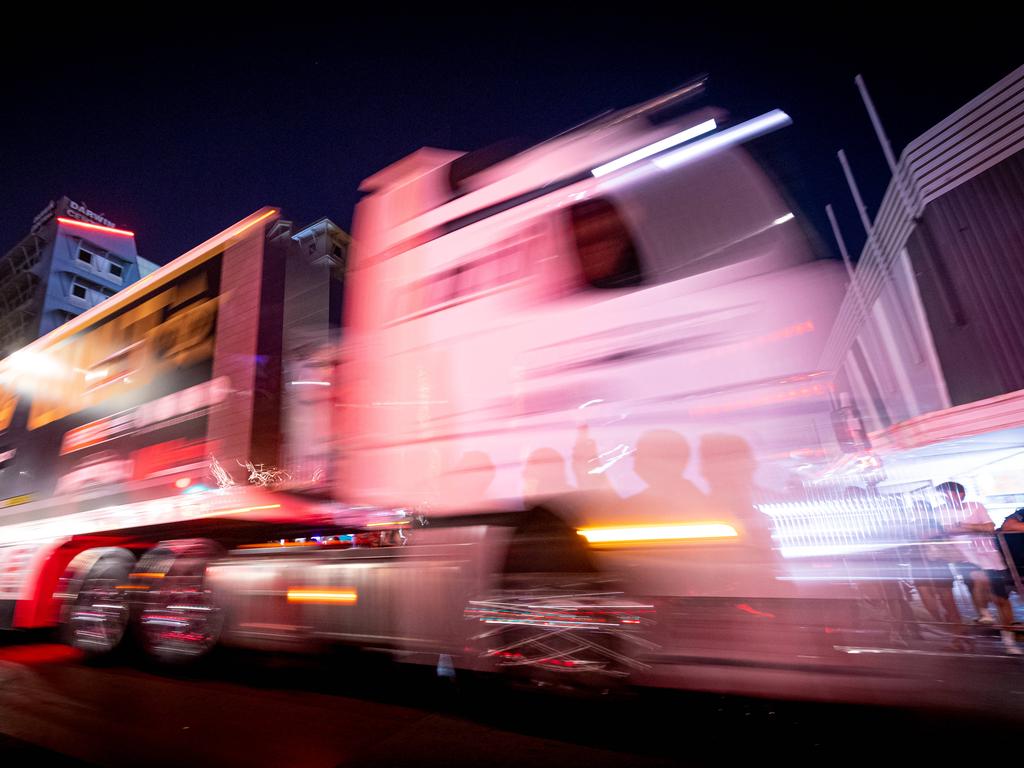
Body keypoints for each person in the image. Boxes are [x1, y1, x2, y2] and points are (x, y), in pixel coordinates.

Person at [935, 481, 1021, 655]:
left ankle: (1009, 640)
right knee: (978, 579)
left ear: (960, 494)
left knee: (1002, 600)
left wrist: (964, 526)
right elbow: (949, 530)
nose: (945, 497)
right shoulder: (940, 511)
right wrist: (974, 528)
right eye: (943, 495)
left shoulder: (976, 506)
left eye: (949, 493)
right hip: (964, 557)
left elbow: (989, 527)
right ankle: (983, 614)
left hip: (990, 556)